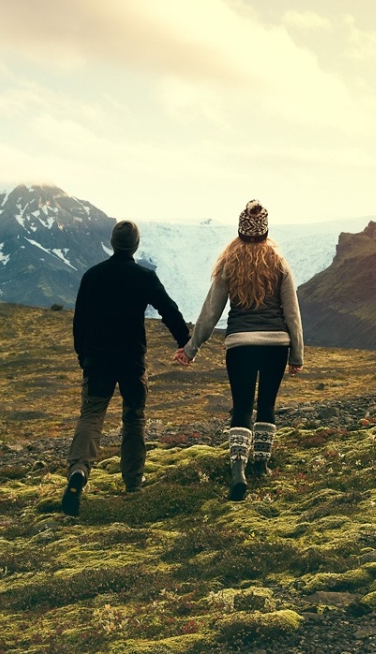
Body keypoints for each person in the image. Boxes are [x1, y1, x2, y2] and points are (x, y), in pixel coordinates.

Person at [175, 200, 303, 501]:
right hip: (276, 345)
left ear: (241, 230)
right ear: (265, 230)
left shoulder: (229, 264)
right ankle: (261, 465)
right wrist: (296, 355)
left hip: (240, 344)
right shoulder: (280, 264)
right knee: (267, 404)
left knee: (242, 406)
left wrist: (191, 349)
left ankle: (238, 470)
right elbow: (293, 314)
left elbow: (210, 312)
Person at [62, 220, 190, 516]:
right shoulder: (144, 277)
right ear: (136, 245)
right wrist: (186, 342)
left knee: (92, 416)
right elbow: (168, 309)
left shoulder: (92, 276)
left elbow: (79, 321)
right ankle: (133, 483)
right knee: (134, 419)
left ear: (112, 242)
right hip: (132, 360)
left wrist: (84, 356)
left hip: (98, 360)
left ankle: (78, 470)